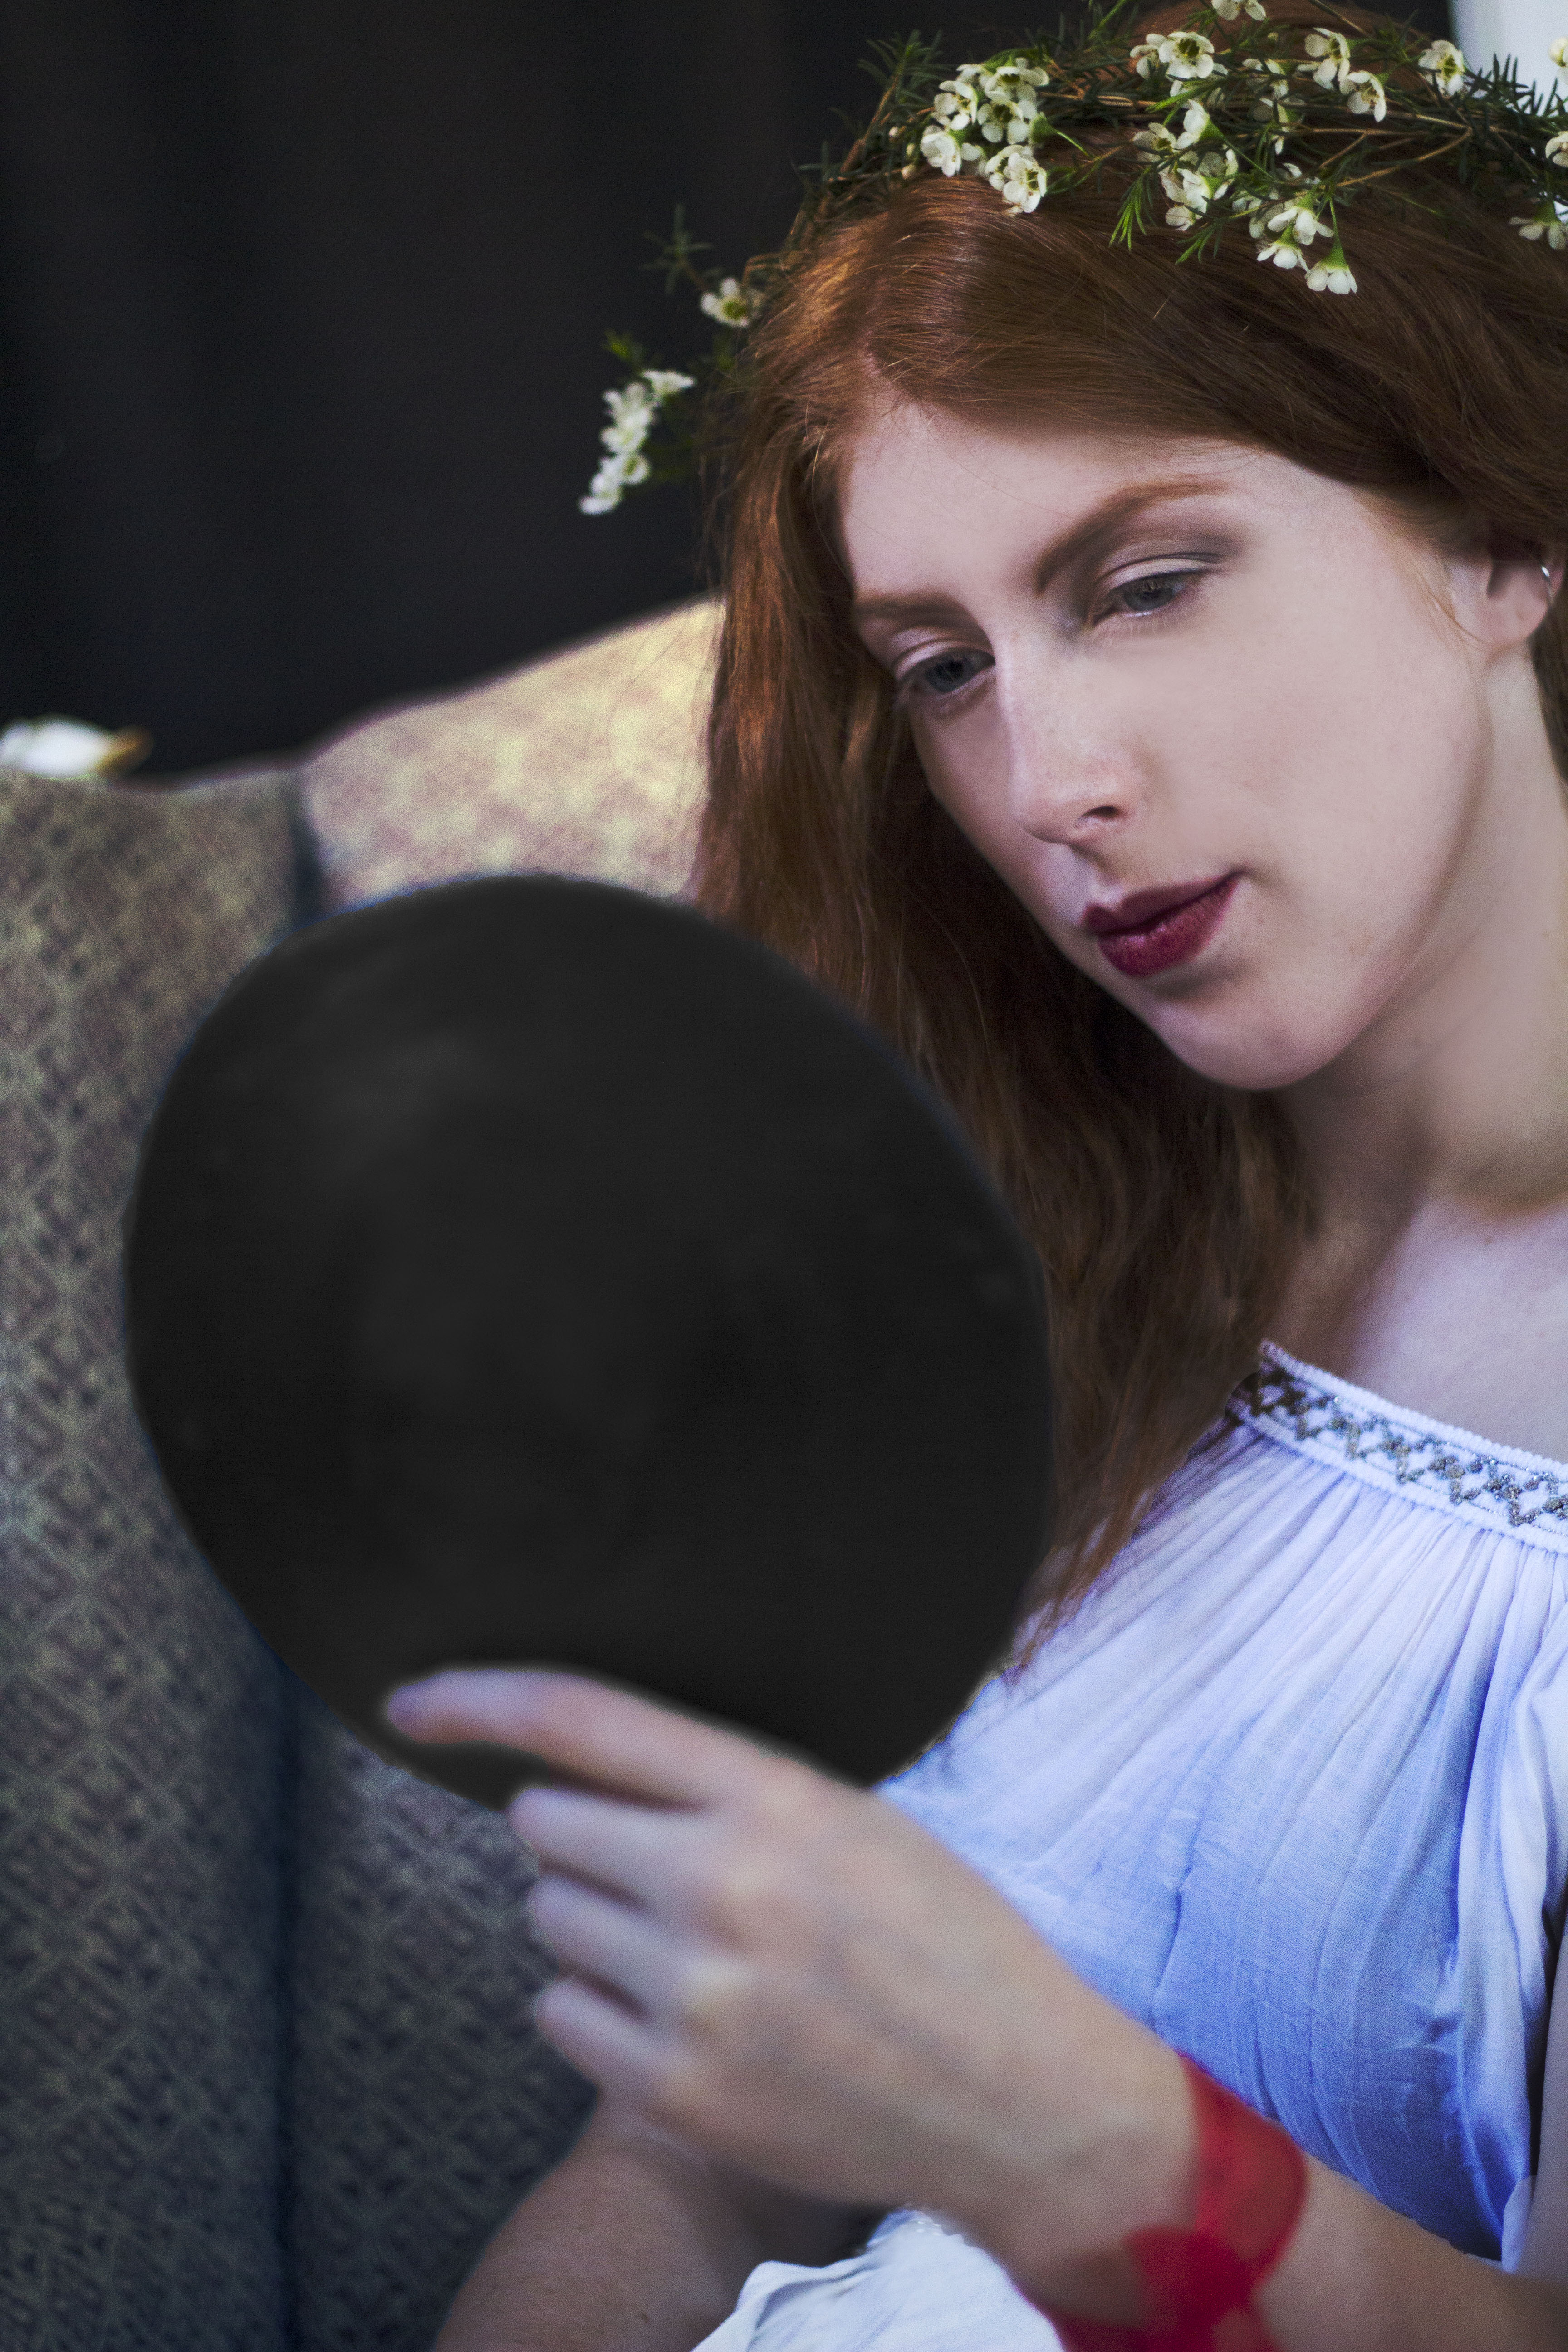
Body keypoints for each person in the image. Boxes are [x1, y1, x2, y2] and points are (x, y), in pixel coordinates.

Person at [382, 0, 1568, 2342]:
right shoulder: (1025, 1240)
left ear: (1502, 531)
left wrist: (1062, 2133)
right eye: (941, 667)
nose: (1048, 783)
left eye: (1143, 582)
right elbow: (693, 2164)